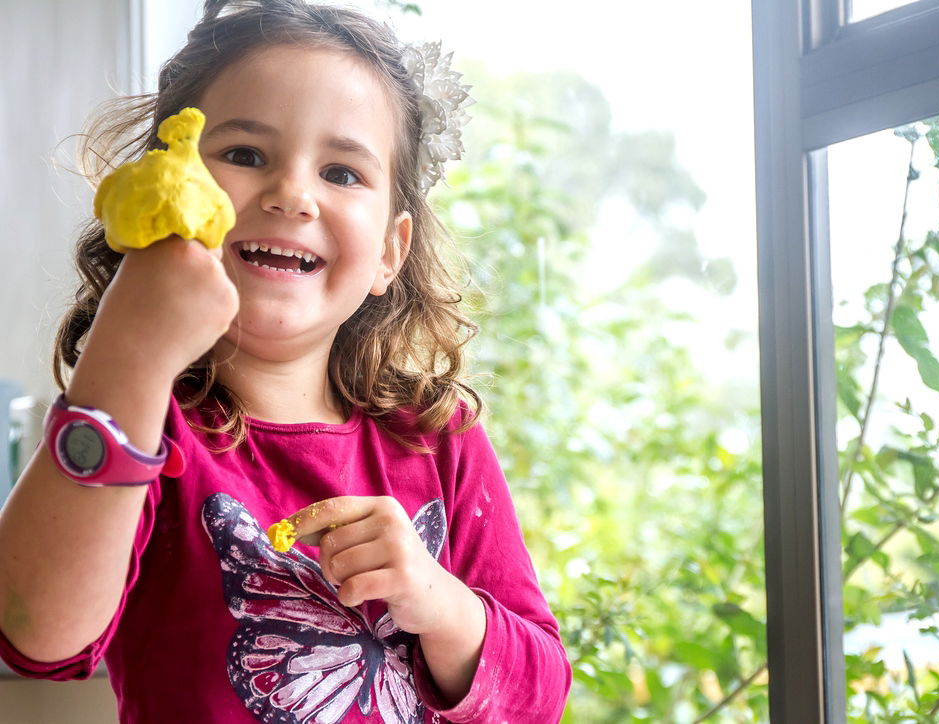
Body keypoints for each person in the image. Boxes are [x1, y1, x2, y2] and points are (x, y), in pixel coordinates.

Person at [0, 1, 572, 721]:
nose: (292, 194)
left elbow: (539, 696)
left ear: (390, 253)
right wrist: (127, 355)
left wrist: (438, 602)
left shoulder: (437, 434)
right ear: (169, 188)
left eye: (341, 172)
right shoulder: (147, 422)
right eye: (244, 155)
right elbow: (36, 636)